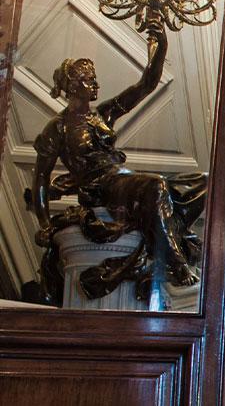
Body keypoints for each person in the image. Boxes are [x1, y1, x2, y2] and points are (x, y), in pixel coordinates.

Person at [28, 22, 206, 307]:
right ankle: (175, 259)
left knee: (203, 183)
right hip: (101, 187)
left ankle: (164, 232)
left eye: (94, 79)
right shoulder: (58, 128)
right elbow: (40, 177)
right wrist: (45, 223)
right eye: (89, 80)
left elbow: (146, 84)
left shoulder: (103, 114)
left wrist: (161, 46)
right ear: (72, 86)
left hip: (122, 179)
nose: (96, 84)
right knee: (156, 185)